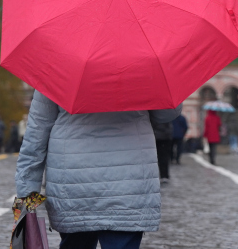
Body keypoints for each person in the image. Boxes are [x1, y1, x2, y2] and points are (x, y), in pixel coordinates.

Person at [15, 91, 181, 249]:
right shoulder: (143, 66)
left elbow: (36, 134)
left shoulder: (56, 68)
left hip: (74, 184)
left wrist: (27, 192)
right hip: (128, 185)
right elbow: (167, 114)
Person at [152, 118, 174, 184]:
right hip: (164, 138)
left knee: (156, 158)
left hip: (156, 138)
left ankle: (158, 175)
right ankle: (164, 175)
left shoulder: (153, 115)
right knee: (164, 158)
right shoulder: (166, 115)